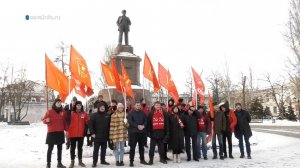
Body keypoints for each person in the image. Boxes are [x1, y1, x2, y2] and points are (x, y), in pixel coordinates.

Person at [43, 98, 67, 168]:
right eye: (58, 102)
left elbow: (64, 122)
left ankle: (59, 163)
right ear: (55, 103)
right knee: (50, 148)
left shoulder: (63, 112)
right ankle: (48, 164)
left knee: (60, 148)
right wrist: (46, 120)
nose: (59, 103)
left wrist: (66, 130)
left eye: (60, 102)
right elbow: (44, 120)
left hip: (60, 132)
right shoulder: (49, 111)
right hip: (51, 132)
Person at [67, 101, 89, 168]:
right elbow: (66, 120)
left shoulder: (84, 113)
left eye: (80, 105)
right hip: (72, 133)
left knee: (80, 148)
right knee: (72, 148)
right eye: (77, 105)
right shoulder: (71, 113)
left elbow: (87, 122)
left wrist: (89, 117)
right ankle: (72, 162)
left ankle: (80, 161)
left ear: (81, 106)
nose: (79, 106)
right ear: (75, 106)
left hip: (80, 134)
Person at [89, 103, 111, 167]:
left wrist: (109, 134)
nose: (102, 108)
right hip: (96, 136)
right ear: (98, 108)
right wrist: (92, 133)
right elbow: (90, 125)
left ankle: (103, 160)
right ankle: (94, 162)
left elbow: (109, 125)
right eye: (101, 107)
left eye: (103, 107)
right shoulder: (94, 115)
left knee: (104, 149)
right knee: (96, 150)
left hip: (105, 136)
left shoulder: (107, 115)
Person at [128, 101, 148, 167]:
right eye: (137, 105)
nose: (138, 106)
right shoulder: (131, 113)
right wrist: (137, 126)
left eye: (139, 105)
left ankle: (142, 160)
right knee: (132, 148)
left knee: (141, 147)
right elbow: (130, 121)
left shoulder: (143, 113)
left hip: (141, 133)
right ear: (134, 106)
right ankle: (131, 161)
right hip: (134, 133)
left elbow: (146, 120)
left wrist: (143, 126)